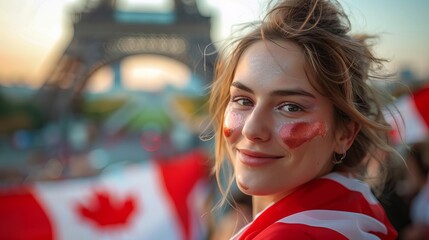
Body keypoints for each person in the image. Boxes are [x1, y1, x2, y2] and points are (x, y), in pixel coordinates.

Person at [205, 0, 400, 239]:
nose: (251, 128)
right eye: (243, 101)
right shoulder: (357, 216)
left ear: (345, 134)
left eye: (290, 107)